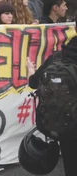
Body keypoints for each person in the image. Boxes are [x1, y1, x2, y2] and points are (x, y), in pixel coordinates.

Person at [26, 26, 77, 176]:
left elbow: (33, 83)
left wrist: (30, 70)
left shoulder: (58, 57)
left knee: (71, 165)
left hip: (67, 124)